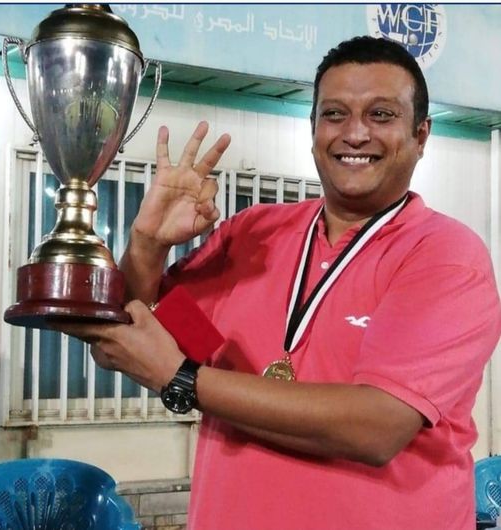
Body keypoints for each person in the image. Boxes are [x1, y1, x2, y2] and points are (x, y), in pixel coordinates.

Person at [58, 36, 501, 530]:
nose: (355, 133)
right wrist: (147, 245)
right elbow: (140, 335)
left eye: (381, 115)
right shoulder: (254, 233)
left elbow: (376, 428)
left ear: (421, 135)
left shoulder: (444, 255)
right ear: (312, 131)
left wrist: (182, 380)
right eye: (334, 114)